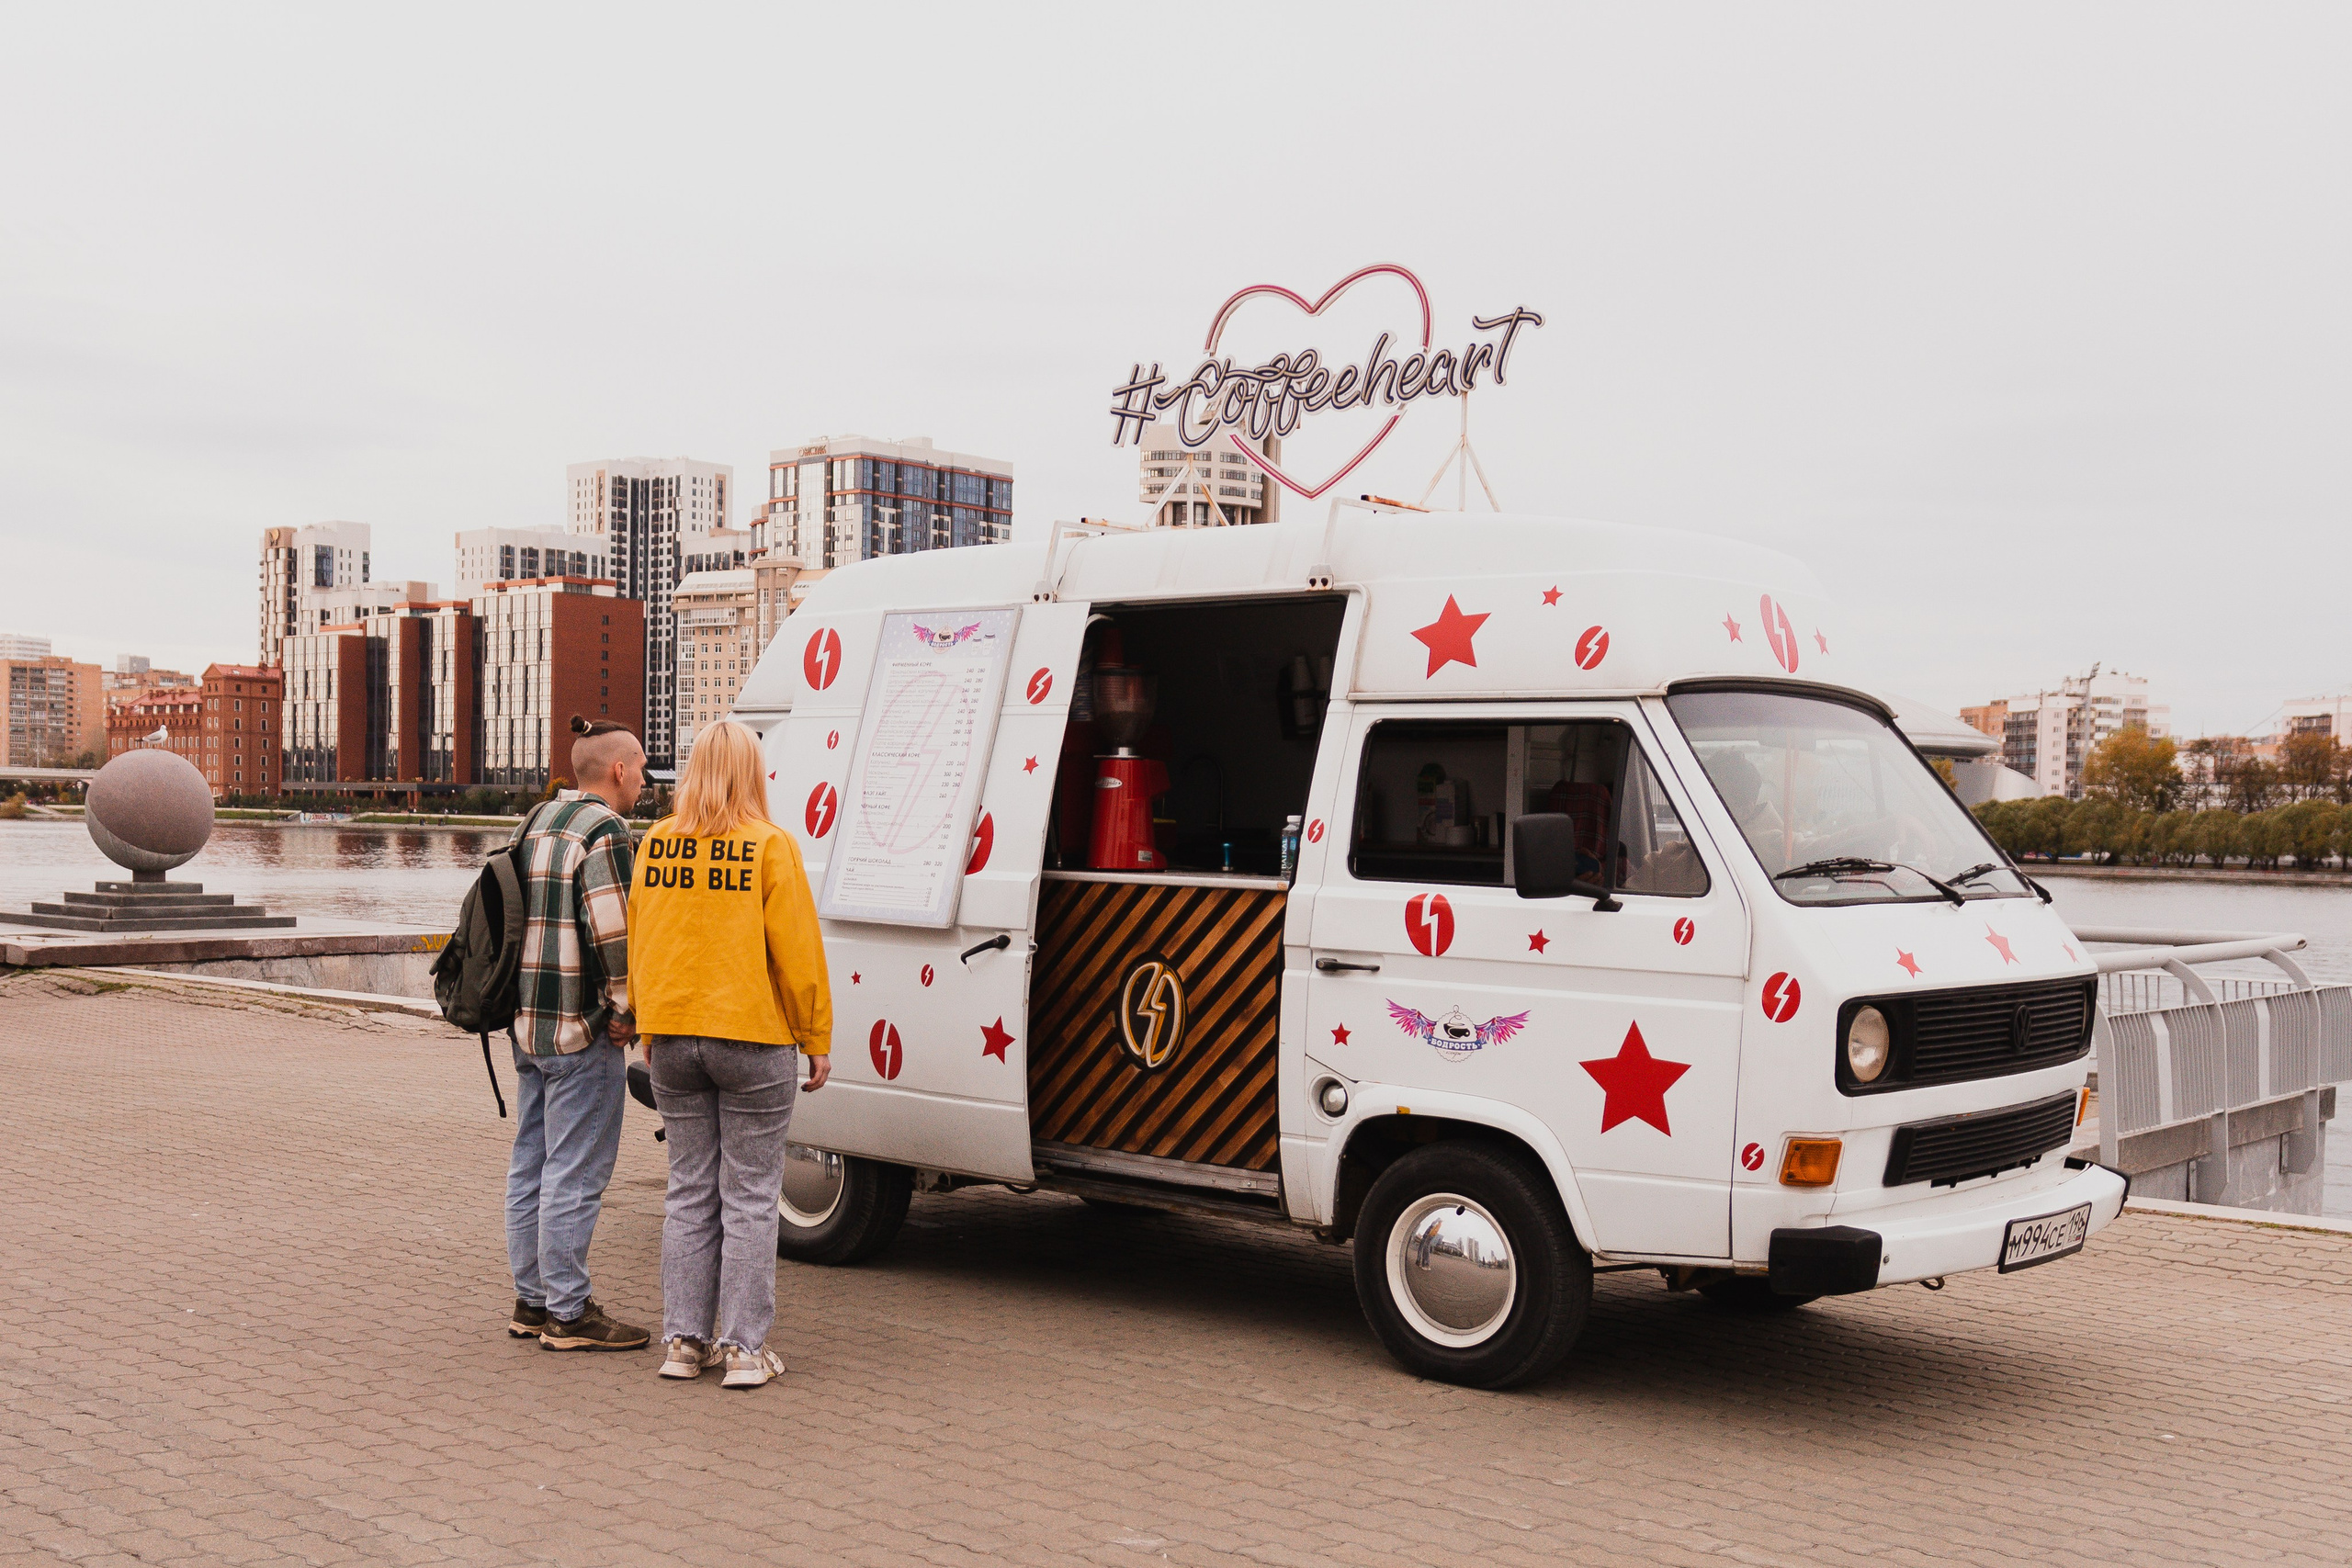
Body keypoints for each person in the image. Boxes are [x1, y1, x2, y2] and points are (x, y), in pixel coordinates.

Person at [628, 719, 831, 1390]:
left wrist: (647, 1021)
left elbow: (641, 938)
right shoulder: (771, 845)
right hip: (752, 1036)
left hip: (672, 1037)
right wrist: (815, 1036)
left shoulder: (657, 843)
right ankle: (744, 1350)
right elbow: (797, 952)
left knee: (689, 1190)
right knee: (749, 1195)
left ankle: (684, 1343)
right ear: (753, 772)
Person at [503, 716, 650, 1353]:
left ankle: (532, 1301)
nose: (644, 781)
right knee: (576, 1171)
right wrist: (626, 1009)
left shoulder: (534, 821)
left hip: (527, 1024)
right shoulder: (606, 831)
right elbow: (614, 932)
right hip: (581, 1030)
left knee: (530, 1165)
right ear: (617, 769)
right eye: (640, 768)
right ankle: (568, 1312)